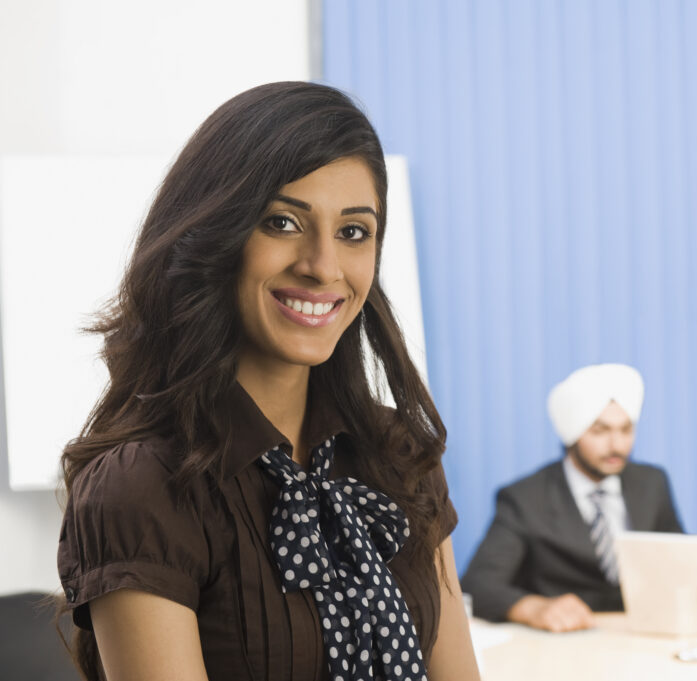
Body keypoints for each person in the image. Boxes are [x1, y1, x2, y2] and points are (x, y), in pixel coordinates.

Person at [57, 82, 480, 681]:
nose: (323, 266)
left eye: (353, 232)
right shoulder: (143, 488)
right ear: (214, 235)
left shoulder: (402, 455)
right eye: (282, 222)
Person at [461, 363, 684, 632]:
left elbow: (681, 559)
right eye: (600, 431)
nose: (617, 445)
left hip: (646, 633)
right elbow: (478, 584)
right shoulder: (525, 498)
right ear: (572, 434)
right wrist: (534, 608)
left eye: (626, 430)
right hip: (568, 641)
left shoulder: (651, 482)